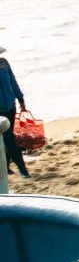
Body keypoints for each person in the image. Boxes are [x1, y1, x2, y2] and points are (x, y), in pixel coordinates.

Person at [0, 49, 29, 178]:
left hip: (11, 108)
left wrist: (20, 98)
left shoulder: (4, 64)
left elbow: (12, 81)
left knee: (7, 138)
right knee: (10, 140)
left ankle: (5, 166)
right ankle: (22, 169)